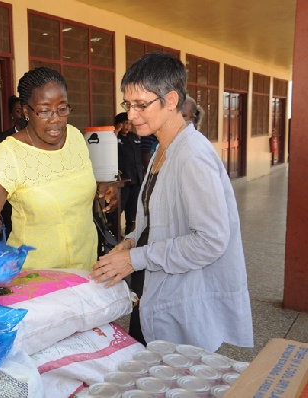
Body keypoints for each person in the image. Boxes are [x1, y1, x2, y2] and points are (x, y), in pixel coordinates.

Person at [90, 52, 253, 352]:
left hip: (183, 303)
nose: (131, 115)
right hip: (155, 292)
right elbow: (158, 221)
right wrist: (130, 242)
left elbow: (210, 241)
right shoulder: (162, 149)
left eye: (142, 105)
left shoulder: (192, 155)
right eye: (128, 105)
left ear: (171, 100)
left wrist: (133, 259)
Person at [0, 67, 119, 270]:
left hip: (84, 269)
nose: (56, 118)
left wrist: (100, 189)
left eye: (62, 108)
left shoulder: (75, 137)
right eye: (44, 110)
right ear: (25, 111)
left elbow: (70, 184)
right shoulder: (10, 152)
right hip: (36, 277)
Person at [0, 95, 28, 239]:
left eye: (25, 110)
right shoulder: (3, 139)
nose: (23, 114)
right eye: (19, 111)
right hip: (11, 196)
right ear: (12, 114)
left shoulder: (40, 137)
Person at [114, 112, 144, 235]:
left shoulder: (134, 137)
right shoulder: (114, 137)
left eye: (129, 123)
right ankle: (115, 236)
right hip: (123, 181)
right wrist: (115, 133)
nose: (127, 126)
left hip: (136, 179)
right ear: (119, 124)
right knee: (117, 210)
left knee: (132, 212)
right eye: (125, 123)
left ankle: (129, 236)